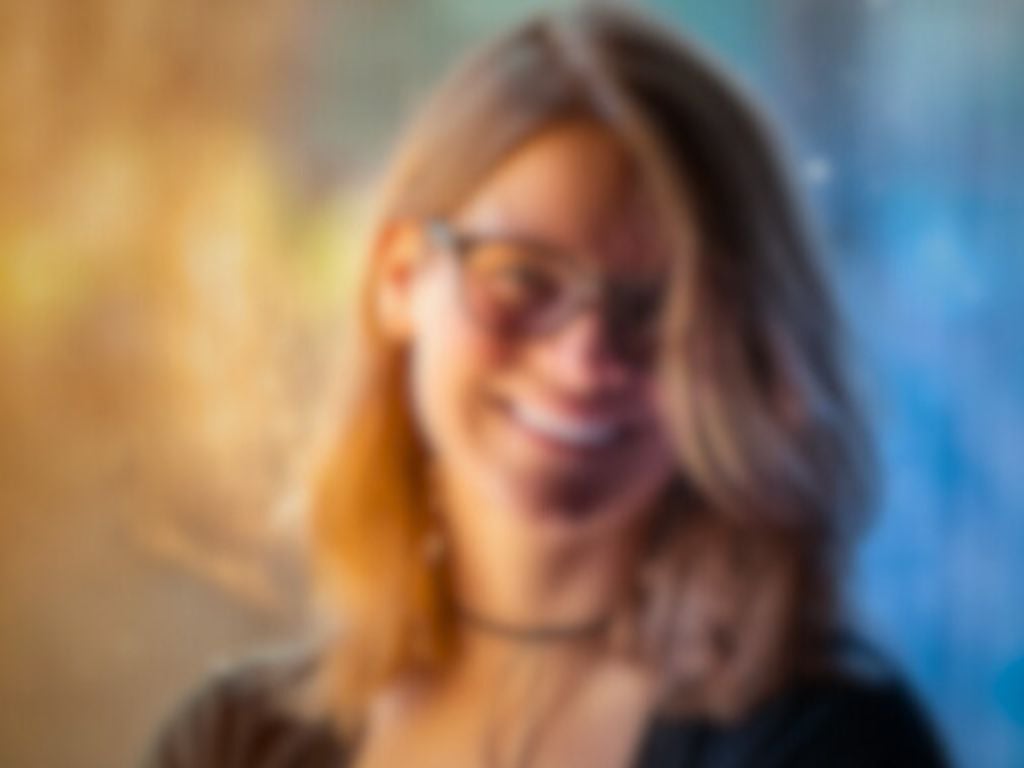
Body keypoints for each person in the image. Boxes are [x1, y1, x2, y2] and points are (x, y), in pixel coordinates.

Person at [145, 5, 950, 767]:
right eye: (522, 279)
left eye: (661, 307)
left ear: (745, 352)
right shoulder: (232, 737)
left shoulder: (830, 743)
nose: (585, 358)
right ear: (401, 276)